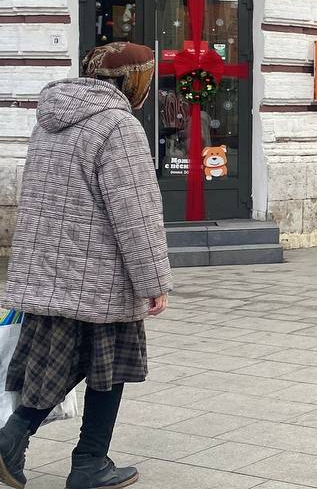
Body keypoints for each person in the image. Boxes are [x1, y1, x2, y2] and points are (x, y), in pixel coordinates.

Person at [0, 42, 172, 489]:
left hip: (49, 270)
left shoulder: (50, 120)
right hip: (101, 275)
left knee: (57, 362)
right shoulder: (118, 125)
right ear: (134, 80)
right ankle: (87, 462)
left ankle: (19, 442)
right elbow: (135, 212)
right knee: (108, 366)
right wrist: (153, 280)